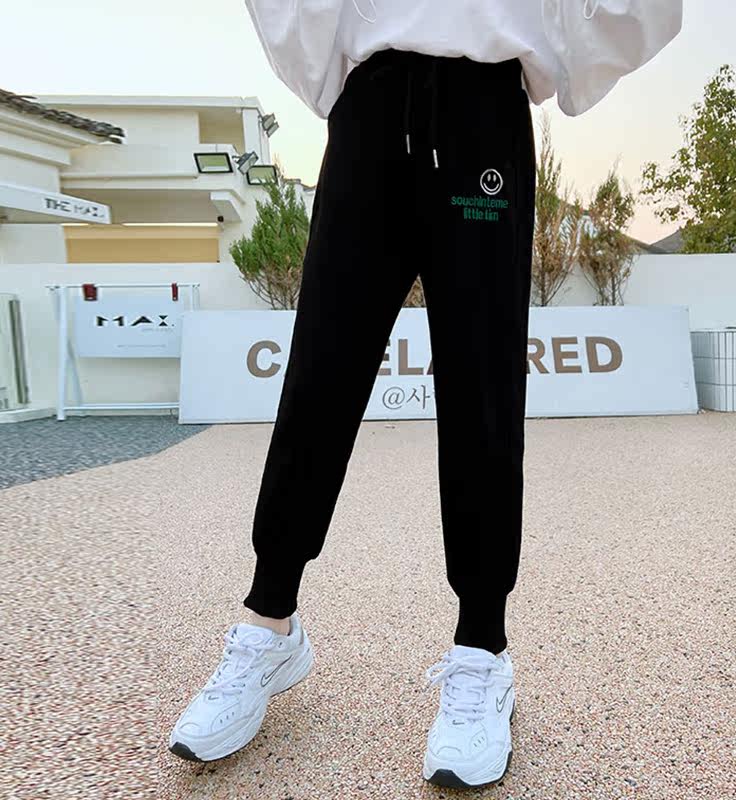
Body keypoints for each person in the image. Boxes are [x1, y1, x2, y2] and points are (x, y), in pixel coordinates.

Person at [169, 0, 683, 787]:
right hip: (370, 109)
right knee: (320, 376)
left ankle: (482, 648)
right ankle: (269, 625)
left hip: (486, 106)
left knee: (483, 390)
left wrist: (556, 53)